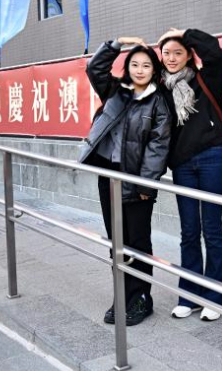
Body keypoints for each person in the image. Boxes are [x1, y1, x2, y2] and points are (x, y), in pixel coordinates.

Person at [79, 37, 172, 326]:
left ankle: (141, 298)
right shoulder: (115, 92)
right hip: (109, 176)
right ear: (127, 67)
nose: (140, 70)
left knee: (138, 242)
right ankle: (123, 296)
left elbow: (158, 148)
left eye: (146, 65)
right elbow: (95, 68)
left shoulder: (159, 102)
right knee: (116, 240)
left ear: (154, 69)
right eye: (134, 64)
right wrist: (116, 44)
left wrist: (146, 187)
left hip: (135, 182)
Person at [159, 28, 222, 322]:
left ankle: (216, 297)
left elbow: (217, 53)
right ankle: (189, 295)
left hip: (213, 157)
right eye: (166, 53)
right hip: (183, 165)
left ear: (189, 54)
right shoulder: (161, 88)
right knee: (189, 231)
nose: (172, 58)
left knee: (211, 229)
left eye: (178, 52)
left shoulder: (206, 78)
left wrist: (185, 33)